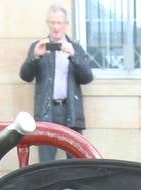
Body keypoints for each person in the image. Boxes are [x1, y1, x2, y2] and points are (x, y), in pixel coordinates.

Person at [19, 4, 94, 163]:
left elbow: (87, 77)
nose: (55, 27)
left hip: (70, 110)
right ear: (48, 23)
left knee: (76, 161)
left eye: (59, 23)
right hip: (47, 111)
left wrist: (74, 56)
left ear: (66, 24)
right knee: (46, 163)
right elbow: (25, 76)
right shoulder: (38, 47)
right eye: (52, 22)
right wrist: (35, 57)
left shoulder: (76, 48)